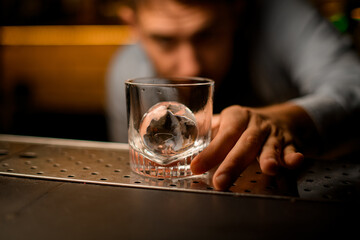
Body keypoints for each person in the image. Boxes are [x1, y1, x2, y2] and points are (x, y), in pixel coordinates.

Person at [106, 0, 360, 190]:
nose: (190, 66)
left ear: (236, 11)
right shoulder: (126, 74)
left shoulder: (285, 16)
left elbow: (352, 85)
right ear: (133, 25)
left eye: (207, 35)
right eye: (165, 40)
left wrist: (289, 120)